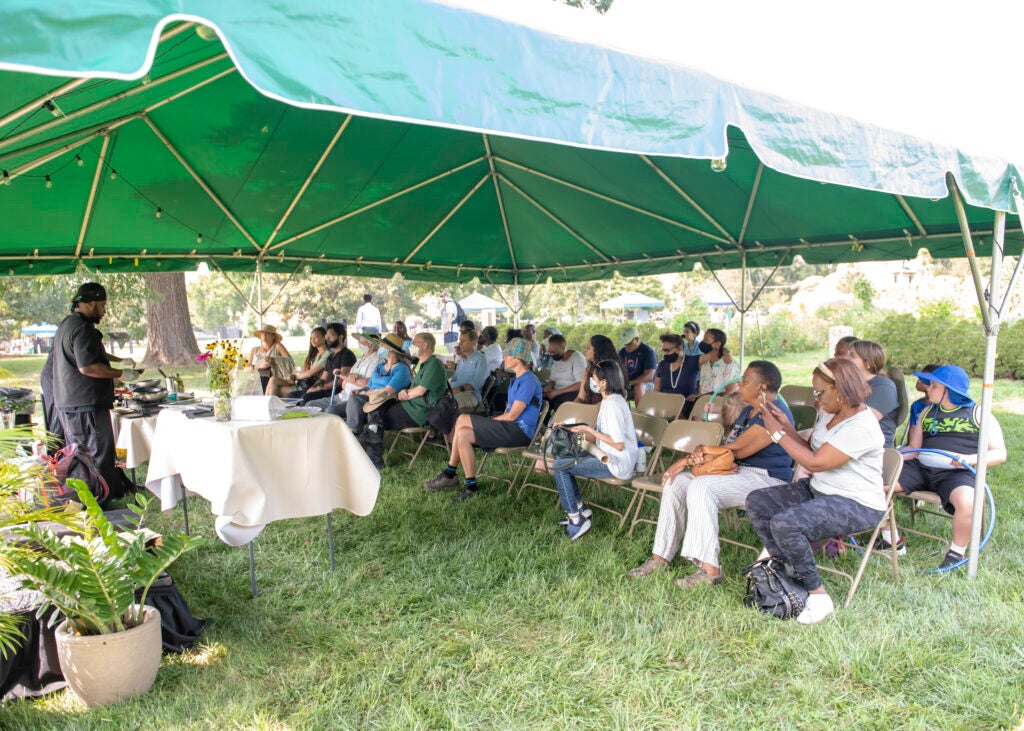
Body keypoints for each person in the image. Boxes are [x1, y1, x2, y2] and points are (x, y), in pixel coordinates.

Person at [628, 361, 794, 585]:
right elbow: (727, 453)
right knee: (675, 482)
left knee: (701, 486)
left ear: (762, 387)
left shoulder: (774, 413)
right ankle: (660, 557)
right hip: (737, 471)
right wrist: (694, 460)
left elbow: (737, 449)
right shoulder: (748, 410)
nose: (739, 385)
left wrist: (687, 460)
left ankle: (710, 571)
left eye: (745, 381)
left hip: (766, 478)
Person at [747, 358, 886, 624]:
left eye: (820, 392)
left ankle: (818, 595)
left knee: (787, 524)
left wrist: (777, 435)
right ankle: (786, 573)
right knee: (758, 501)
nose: (816, 398)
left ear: (841, 391)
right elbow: (812, 449)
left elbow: (814, 463)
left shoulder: (862, 426)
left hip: (857, 504)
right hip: (821, 489)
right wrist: (786, 427)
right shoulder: (828, 413)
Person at [891, 365, 1006, 568]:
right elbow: (914, 448)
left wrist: (970, 459)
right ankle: (888, 538)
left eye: (934, 385)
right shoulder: (926, 412)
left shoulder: (979, 413)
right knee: (878, 484)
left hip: (957, 473)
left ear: (948, 390)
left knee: (968, 501)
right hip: (921, 468)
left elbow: (999, 453)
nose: (928, 389)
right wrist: (888, 457)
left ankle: (956, 553)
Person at [424, 337, 544, 502]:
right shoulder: (517, 379)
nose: (504, 358)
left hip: (519, 432)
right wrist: (490, 421)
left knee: (462, 419)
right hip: (509, 427)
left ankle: (450, 473)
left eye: (508, 355)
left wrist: (490, 422)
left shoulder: (529, 380)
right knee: (464, 433)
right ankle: (470, 485)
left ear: (518, 358)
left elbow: (512, 416)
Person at [50, 283, 130, 503]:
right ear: (89, 303)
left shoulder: (67, 324)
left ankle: (85, 497)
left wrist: (118, 362)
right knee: (98, 455)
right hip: (86, 403)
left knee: (80, 453)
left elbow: (91, 354)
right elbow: (88, 367)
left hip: (69, 402)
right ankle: (100, 502)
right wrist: (121, 373)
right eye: (101, 305)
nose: (104, 311)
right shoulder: (83, 329)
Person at [552, 360, 638, 540]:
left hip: (616, 462)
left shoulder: (613, 405)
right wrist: (572, 428)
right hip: (610, 455)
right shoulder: (611, 401)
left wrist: (589, 430)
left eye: (593, 378)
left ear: (604, 382)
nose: (591, 381)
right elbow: (601, 436)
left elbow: (618, 444)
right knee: (567, 458)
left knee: (561, 465)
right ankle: (581, 509)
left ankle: (576, 519)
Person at [359, 332, 448, 469]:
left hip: (419, 412)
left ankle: (372, 458)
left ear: (424, 345)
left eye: (414, 343)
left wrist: (405, 392)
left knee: (375, 419)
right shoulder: (425, 364)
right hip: (410, 407)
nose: (411, 346)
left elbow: (420, 391)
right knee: (376, 415)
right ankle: (370, 454)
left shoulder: (434, 364)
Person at [342, 333, 413, 432]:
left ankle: (356, 433)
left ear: (391, 350)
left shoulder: (401, 369)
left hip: (385, 401)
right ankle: (353, 432)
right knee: (348, 401)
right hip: (371, 398)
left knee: (355, 400)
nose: (380, 348)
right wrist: (361, 391)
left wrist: (364, 393)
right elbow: (369, 386)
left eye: (383, 346)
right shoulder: (380, 366)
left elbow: (387, 391)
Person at [843, 339, 899, 448]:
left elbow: (862, 420)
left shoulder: (884, 387)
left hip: (872, 448)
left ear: (867, 364)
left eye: (852, 356)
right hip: (850, 440)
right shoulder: (852, 383)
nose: (846, 359)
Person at [306, 330, 379, 410]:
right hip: (342, 396)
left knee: (331, 410)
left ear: (373, 344)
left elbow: (369, 383)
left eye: (363, 343)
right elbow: (344, 384)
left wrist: (344, 376)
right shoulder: (360, 361)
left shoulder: (376, 361)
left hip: (355, 399)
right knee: (310, 405)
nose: (360, 345)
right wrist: (349, 377)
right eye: (359, 342)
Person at [293, 323, 356, 403]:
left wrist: (320, 388)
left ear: (341, 336)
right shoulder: (331, 356)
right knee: (292, 396)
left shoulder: (347, 355)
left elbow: (340, 381)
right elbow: (323, 378)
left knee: (305, 398)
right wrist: (313, 387)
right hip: (324, 389)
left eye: (331, 336)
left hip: (334, 392)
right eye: (327, 336)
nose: (327, 339)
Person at [266, 327, 327, 397]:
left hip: (310, 385)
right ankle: (267, 405)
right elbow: (304, 371)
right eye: (311, 338)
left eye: (316, 337)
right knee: (273, 379)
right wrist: (292, 377)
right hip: (302, 382)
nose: (313, 340)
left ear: (324, 338)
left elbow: (310, 373)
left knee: (275, 389)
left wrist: (296, 377)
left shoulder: (327, 354)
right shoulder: (313, 354)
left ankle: (269, 405)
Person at [576, 334, 628, 405]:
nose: (585, 350)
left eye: (588, 348)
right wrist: (572, 407)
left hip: (605, 410)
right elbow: (580, 398)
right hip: (587, 409)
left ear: (598, 351)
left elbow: (614, 398)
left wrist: (590, 410)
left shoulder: (611, 370)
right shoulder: (588, 370)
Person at [542, 334, 587, 412]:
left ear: (563, 347)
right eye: (550, 353)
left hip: (572, 392)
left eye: (554, 352)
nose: (552, 355)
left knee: (558, 404)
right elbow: (553, 380)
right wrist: (548, 387)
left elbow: (581, 383)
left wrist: (558, 392)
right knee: (540, 400)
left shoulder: (576, 358)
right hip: (557, 391)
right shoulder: (556, 359)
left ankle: (555, 423)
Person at [448, 329, 489, 410]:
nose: (460, 343)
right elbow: (454, 379)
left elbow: (476, 384)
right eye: (460, 340)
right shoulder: (461, 360)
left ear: (473, 342)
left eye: (463, 341)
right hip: (457, 392)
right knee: (437, 400)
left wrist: (457, 390)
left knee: (448, 405)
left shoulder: (480, 358)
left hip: (471, 395)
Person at [246, 324, 290, 394]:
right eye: (262, 333)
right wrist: (257, 366)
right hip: (257, 379)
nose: (264, 335)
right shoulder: (254, 350)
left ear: (273, 336)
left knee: (265, 381)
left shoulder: (278, 346)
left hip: (275, 377)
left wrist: (274, 360)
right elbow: (246, 368)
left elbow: (289, 361)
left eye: (267, 333)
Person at [618, 327, 658, 403]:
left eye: (629, 343)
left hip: (647, 384)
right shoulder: (622, 352)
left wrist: (630, 383)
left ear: (636, 339)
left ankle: (639, 414)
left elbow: (649, 376)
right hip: (628, 384)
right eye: (625, 343)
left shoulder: (648, 351)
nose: (626, 346)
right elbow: (618, 370)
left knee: (638, 387)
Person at [679, 320, 703, 399]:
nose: (684, 334)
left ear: (695, 334)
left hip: (698, 377)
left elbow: (697, 362)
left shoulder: (699, 346)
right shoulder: (684, 346)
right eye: (684, 332)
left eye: (687, 332)